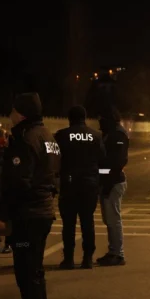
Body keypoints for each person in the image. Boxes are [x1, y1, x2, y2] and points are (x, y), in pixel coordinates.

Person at [0, 92, 60, 299]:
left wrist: (2, 214)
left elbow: (17, 182)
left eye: (12, 111)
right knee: (34, 272)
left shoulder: (24, 138)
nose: (10, 116)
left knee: (27, 274)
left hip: (29, 214)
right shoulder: (48, 136)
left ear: (21, 113)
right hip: (43, 210)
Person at [54, 105, 105, 270]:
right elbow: (103, 161)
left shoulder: (62, 135)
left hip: (68, 185)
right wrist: (99, 177)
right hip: (89, 185)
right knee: (87, 222)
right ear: (85, 117)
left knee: (68, 224)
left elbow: (55, 161)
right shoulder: (96, 136)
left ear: (70, 118)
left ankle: (68, 259)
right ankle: (87, 259)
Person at [97, 110, 130, 267]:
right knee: (109, 220)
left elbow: (116, 163)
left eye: (101, 119)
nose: (99, 123)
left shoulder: (118, 135)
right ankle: (113, 251)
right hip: (109, 180)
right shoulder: (111, 133)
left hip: (114, 182)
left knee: (113, 220)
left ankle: (117, 254)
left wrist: (100, 173)